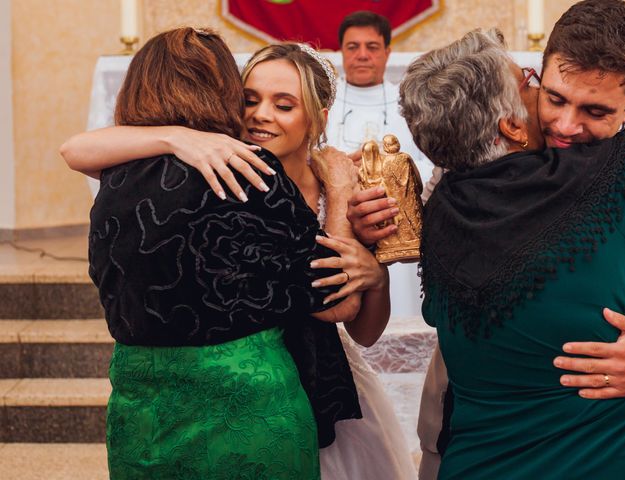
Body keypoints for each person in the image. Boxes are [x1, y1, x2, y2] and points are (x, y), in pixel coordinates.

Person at [61, 38, 417, 479]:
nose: (260, 114)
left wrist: (375, 277)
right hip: (253, 391)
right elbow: (75, 149)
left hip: (323, 383)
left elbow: (362, 329)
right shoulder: (211, 165)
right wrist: (182, 138)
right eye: (249, 100)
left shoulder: (346, 188)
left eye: (284, 105)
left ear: (317, 118)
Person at [346, 1, 625, 477]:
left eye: (595, 110)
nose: (565, 126)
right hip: (476, 430)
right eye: (553, 97)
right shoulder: (450, 191)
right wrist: (371, 232)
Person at [326, 9, 432, 317]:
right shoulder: (324, 103)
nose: (362, 55)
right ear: (340, 52)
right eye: (352, 47)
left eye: (371, 47)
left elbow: (431, 162)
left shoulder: (411, 104)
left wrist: (387, 177)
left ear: (387, 52)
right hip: (341, 224)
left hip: (399, 222)